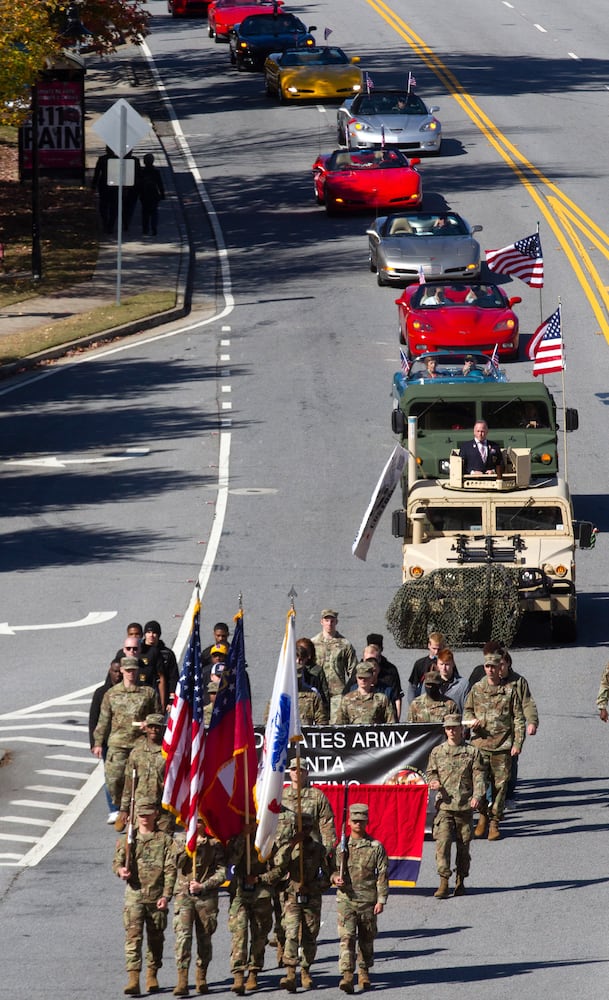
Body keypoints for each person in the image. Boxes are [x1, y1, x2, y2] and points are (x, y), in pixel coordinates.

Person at [113, 802, 177, 996]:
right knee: (133, 938)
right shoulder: (128, 840)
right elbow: (116, 862)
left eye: (148, 814)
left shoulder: (165, 840)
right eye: (141, 814)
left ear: (156, 815)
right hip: (135, 895)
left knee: (156, 938)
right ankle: (133, 978)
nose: (144, 817)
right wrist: (120, 870)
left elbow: (170, 870)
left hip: (156, 896)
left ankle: (152, 973)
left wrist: (167, 895)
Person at [463, 652, 525, 840]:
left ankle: (494, 823)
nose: (490, 670)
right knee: (478, 786)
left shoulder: (509, 691)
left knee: (500, 788)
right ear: (484, 668)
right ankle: (482, 815)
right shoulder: (477, 689)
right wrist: (470, 721)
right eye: (487, 667)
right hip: (480, 745)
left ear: (500, 669)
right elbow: (466, 711)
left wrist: (517, 743)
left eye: (494, 667)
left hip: (502, 747)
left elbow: (519, 719)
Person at [92, 657, 160, 822]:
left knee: (144, 780)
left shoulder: (148, 693)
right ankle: (119, 808)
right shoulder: (112, 694)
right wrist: (98, 743)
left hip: (140, 743)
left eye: (133, 670)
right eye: (128, 670)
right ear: (122, 671)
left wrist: (148, 724)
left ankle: (138, 811)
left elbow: (157, 715)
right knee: (114, 779)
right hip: (118, 743)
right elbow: (104, 720)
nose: (131, 673)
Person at [330, 802, 388, 994]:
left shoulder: (375, 847)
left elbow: (382, 875)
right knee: (347, 938)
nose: (358, 825)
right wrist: (335, 878)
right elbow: (332, 870)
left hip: (368, 901)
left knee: (366, 939)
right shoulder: (342, 847)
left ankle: (363, 973)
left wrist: (381, 900)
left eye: (362, 821)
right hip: (346, 899)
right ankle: (347, 975)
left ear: (367, 822)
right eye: (355, 821)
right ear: (348, 822)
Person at [426, 713, 486, 898]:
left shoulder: (472, 752)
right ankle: (443, 882)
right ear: (445, 730)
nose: (451, 731)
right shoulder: (437, 752)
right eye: (448, 728)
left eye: (454, 727)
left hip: (464, 806)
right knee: (442, 845)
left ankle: (460, 879)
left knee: (463, 847)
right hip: (444, 806)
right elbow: (430, 772)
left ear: (461, 729)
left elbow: (479, 776)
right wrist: (434, 782)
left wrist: (477, 796)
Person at [275, 813, 332, 992]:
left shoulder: (318, 850)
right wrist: (291, 844)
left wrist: (312, 887)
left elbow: (328, 876)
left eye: (307, 828)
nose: (304, 831)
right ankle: (290, 973)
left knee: (310, 935)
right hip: (291, 897)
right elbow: (278, 865)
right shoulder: (286, 848)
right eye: (301, 828)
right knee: (291, 933)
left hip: (311, 898)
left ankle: (306, 971)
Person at [172, 817, 227, 997]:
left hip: (206, 897)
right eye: (193, 821)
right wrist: (189, 846)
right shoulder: (180, 840)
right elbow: (175, 864)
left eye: (201, 821)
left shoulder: (214, 844)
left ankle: (201, 976)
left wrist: (204, 885)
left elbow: (222, 872)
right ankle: (182, 980)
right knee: (183, 937)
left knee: (205, 937)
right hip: (184, 895)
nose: (197, 825)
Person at [226, 822, 281, 995]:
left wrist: (260, 879)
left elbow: (278, 870)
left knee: (259, 935)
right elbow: (230, 862)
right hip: (240, 892)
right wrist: (243, 836)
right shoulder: (236, 838)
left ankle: (254, 972)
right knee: (239, 934)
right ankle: (238, 975)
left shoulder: (269, 840)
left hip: (261, 893)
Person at [117, 714, 171, 833]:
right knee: (139, 840)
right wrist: (124, 809)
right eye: (151, 727)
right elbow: (129, 782)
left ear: (163, 729)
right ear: (145, 728)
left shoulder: (169, 753)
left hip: (162, 807)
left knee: (163, 842)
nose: (153, 730)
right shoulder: (137, 753)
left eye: (157, 727)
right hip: (141, 807)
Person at [89, 658, 123, 822]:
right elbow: (94, 720)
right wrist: (95, 743)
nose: (117, 674)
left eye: (119, 671)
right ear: (110, 672)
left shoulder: (132, 692)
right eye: (114, 671)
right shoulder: (101, 693)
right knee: (110, 776)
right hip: (108, 743)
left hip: (127, 741)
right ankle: (114, 809)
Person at [310, 609, 358, 723]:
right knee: (319, 724)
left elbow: (353, 671)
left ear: (336, 622)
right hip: (318, 692)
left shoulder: (345, 644)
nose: (329, 623)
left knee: (337, 724)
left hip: (337, 694)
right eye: (327, 620)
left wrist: (350, 693)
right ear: (321, 622)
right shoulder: (313, 643)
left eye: (332, 620)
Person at [140, 620, 179, 712]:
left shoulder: (167, 654)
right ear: (144, 634)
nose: (151, 635)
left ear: (159, 635)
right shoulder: (139, 652)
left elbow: (173, 678)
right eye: (148, 632)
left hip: (160, 694)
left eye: (154, 633)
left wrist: (171, 700)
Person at [365, 633, 404, 719]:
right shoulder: (360, 668)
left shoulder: (391, 670)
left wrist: (396, 720)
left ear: (381, 650)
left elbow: (397, 697)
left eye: (376, 649)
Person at [406, 632, 446, 705]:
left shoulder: (446, 664)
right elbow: (412, 686)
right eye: (434, 648)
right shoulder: (420, 663)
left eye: (439, 649)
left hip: (442, 703)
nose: (436, 652)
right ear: (429, 645)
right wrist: (412, 705)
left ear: (443, 647)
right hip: (423, 704)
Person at [92, 146, 119, 234]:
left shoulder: (102, 159)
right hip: (114, 185)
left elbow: (97, 173)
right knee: (113, 206)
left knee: (104, 205)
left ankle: (106, 223)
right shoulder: (117, 159)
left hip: (104, 184)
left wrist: (94, 185)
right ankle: (110, 225)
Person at [139, 152, 165, 237]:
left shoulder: (142, 172)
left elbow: (139, 183)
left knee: (145, 212)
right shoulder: (156, 171)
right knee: (154, 212)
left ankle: (145, 229)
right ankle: (154, 228)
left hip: (144, 194)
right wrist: (162, 193)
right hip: (154, 194)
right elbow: (160, 183)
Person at [436, 648, 469, 713]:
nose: (444, 668)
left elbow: (467, 708)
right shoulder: (431, 683)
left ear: (453, 664)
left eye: (447, 664)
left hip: (455, 721)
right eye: (441, 664)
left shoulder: (463, 684)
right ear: (437, 664)